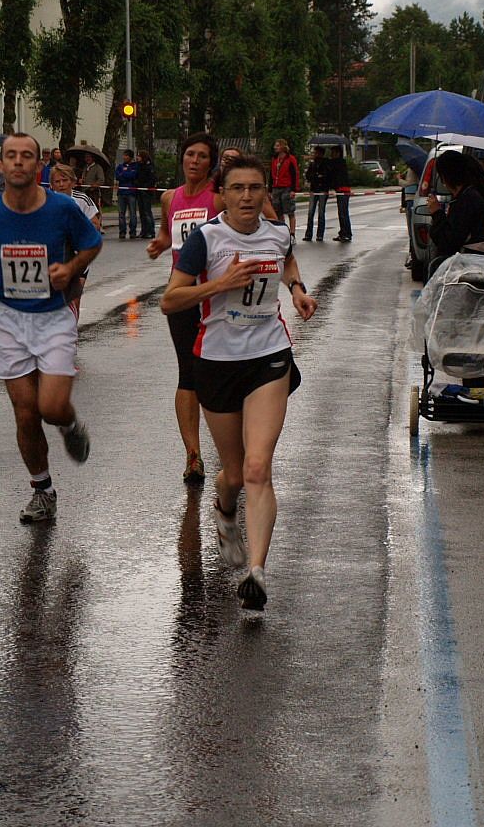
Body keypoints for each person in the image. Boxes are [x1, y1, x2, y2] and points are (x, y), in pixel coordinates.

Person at [161, 155, 318, 610]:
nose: (247, 196)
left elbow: (287, 261)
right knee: (232, 474)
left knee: (257, 468)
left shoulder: (278, 234)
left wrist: (297, 290)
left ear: (266, 192)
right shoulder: (206, 239)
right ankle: (225, 511)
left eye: (255, 188)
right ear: (223, 195)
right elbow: (170, 300)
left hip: (269, 356)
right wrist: (220, 283)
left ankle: (256, 571)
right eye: (238, 189)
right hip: (217, 361)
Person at [0, 132, 101, 524]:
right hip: (9, 322)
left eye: (27, 156)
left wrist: (71, 269)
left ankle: (69, 424)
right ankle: (43, 490)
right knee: (25, 414)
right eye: (11, 156)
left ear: (38, 165)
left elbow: (92, 243)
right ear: (1, 165)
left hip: (53, 318)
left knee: (51, 407)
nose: (19, 161)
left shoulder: (62, 208)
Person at [148, 132, 222, 486]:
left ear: (211, 163)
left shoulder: (219, 198)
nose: (194, 161)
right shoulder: (170, 198)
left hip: (216, 295)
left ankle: (231, 445)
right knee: (188, 372)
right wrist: (160, 245)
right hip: (182, 294)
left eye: (202, 156)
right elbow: (168, 235)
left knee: (218, 371)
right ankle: (193, 455)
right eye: (190, 154)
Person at [425, 149, 484, 271]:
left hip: (466, 268)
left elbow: (449, 242)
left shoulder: (467, 200)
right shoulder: (466, 197)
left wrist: (437, 213)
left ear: (445, 176)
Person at [50, 162, 102, 318]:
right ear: (52, 184)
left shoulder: (81, 199)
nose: (61, 185)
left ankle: (72, 331)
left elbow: (95, 224)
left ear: (72, 182)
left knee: (74, 301)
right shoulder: (45, 201)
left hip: (78, 257)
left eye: (64, 180)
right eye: (57, 181)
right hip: (54, 257)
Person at [269, 138, 300, 238]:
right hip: (276, 187)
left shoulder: (290, 159)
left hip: (287, 187)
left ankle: (292, 233)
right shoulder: (274, 159)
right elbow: (271, 174)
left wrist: (293, 189)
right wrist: (270, 189)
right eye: (275, 145)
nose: (275, 147)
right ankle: (282, 232)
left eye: (277, 146)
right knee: (278, 211)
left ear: (283, 147)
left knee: (290, 211)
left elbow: (294, 174)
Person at [303, 146, 331, 241]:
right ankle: (308, 234)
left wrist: (321, 177)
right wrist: (315, 177)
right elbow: (308, 175)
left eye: (316, 153)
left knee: (321, 212)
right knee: (310, 212)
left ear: (321, 154)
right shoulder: (312, 164)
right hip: (314, 189)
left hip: (323, 189)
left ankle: (320, 234)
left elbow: (327, 175)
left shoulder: (326, 163)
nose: (315, 154)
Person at [329, 145, 353, 242]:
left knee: (343, 213)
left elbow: (335, 176)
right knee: (341, 212)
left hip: (343, 189)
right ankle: (343, 232)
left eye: (333, 153)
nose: (331, 155)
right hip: (340, 189)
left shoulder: (339, 163)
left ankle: (347, 233)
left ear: (338, 153)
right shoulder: (338, 163)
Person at [115, 149, 139, 239]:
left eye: (126, 156)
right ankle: (122, 231)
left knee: (132, 213)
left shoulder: (135, 166)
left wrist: (124, 174)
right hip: (121, 192)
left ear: (130, 157)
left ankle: (133, 232)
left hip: (131, 192)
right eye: (124, 155)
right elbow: (117, 176)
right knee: (121, 214)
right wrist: (126, 174)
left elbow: (133, 176)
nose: (124, 157)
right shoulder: (120, 166)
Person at [134, 149, 157, 239]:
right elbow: (136, 176)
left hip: (146, 192)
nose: (137, 158)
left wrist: (145, 187)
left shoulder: (149, 166)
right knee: (142, 212)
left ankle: (151, 231)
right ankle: (144, 231)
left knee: (147, 212)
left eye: (139, 156)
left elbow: (152, 179)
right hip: (139, 190)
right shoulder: (138, 166)